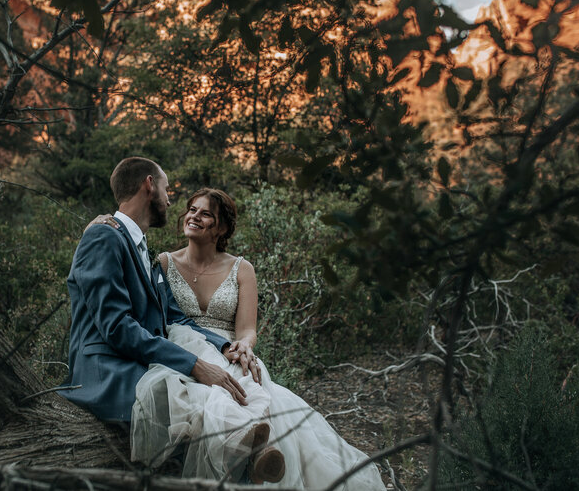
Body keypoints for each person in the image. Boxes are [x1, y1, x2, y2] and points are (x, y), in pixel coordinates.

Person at [89, 187, 386, 489]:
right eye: (192, 210)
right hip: (181, 346)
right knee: (202, 390)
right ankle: (252, 449)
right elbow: (146, 296)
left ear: (221, 227)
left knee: (246, 379)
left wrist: (244, 345)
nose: (194, 216)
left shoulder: (242, 269)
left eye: (205, 213)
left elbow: (247, 329)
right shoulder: (163, 263)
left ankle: (256, 450)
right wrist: (101, 222)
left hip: (229, 348)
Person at [58, 158, 248, 423]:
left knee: (233, 389)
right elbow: (116, 326)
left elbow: (173, 317)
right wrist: (194, 365)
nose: (169, 201)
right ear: (149, 185)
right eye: (166, 189)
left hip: (138, 363)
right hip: (107, 373)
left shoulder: (143, 250)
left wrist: (225, 346)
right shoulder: (103, 236)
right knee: (200, 403)